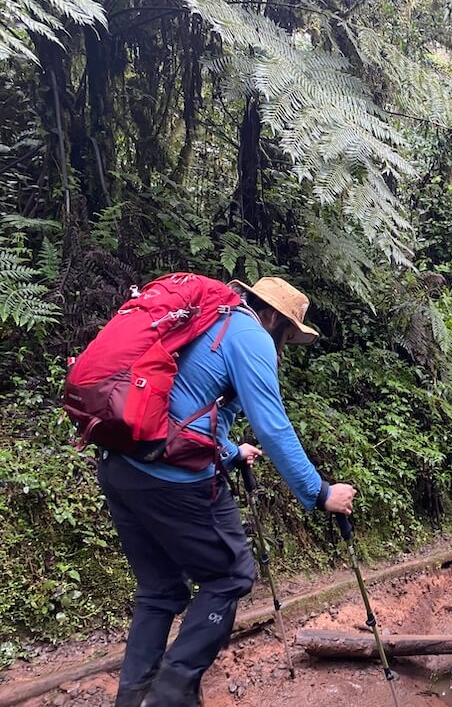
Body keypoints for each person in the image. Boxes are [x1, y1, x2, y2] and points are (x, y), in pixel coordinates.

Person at [98, 277, 357, 707]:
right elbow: (273, 426)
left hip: (120, 465)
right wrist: (319, 492)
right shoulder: (250, 334)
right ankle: (169, 694)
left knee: (160, 590)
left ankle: (135, 698)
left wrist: (231, 450)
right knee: (231, 575)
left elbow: (179, 406)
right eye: (287, 334)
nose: (284, 344)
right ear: (272, 315)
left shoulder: (204, 323)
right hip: (170, 479)